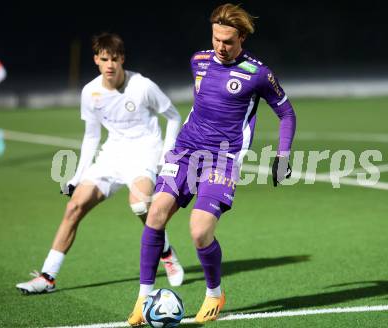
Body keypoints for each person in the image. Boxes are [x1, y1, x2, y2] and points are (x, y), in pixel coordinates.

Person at [127, 3, 296, 325]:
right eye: (217, 38)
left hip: (223, 158)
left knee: (199, 231)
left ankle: (214, 293)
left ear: (242, 38)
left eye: (228, 41)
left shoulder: (258, 74)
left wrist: (283, 155)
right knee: (156, 213)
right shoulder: (199, 60)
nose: (221, 46)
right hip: (186, 150)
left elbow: (287, 113)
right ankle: (143, 297)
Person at [16, 33, 184, 294]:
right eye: (104, 59)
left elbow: (174, 117)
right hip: (111, 156)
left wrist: (165, 156)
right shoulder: (90, 92)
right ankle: (48, 277)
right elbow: (92, 136)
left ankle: (166, 252)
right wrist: (76, 176)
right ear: (96, 59)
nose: (110, 64)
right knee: (74, 207)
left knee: (140, 205)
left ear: (122, 59)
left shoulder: (143, 86)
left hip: (143, 153)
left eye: (115, 59)